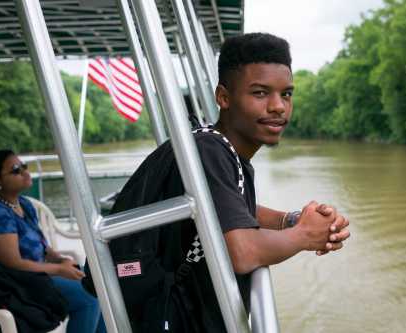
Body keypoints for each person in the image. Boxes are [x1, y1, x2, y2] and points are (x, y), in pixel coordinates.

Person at [88, 33, 351, 332]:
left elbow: (227, 205)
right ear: (223, 97)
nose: (278, 106)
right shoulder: (211, 151)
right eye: (260, 93)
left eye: (286, 94)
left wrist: (287, 221)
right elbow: (243, 252)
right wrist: (305, 235)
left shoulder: (221, 149)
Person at [0, 150, 106, 333]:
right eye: (16, 170)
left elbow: (42, 246)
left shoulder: (22, 203)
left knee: (99, 288)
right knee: (88, 298)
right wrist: (59, 269)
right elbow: (11, 265)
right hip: (11, 284)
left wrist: (60, 260)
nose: (25, 171)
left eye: (24, 166)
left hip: (35, 276)